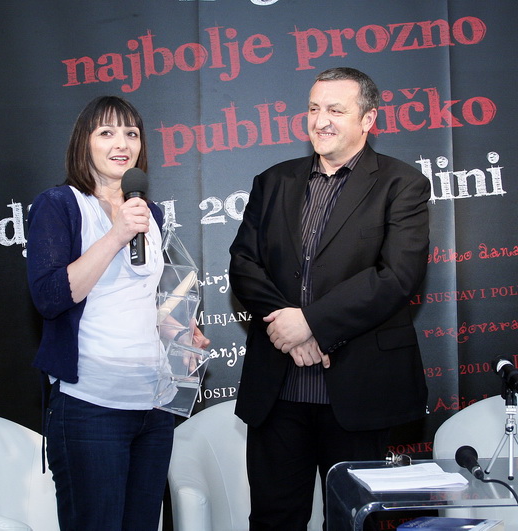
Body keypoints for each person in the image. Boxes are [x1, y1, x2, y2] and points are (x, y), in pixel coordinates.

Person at [228, 67, 430, 530]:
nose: (321, 121)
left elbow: (397, 276)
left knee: (351, 521)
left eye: (336, 110)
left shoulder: (402, 184)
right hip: (278, 389)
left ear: (368, 119)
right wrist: (289, 327)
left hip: (358, 392)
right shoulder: (273, 181)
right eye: (314, 109)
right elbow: (243, 264)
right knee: (274, 519)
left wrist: (312, 323)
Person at [26, 95, 210, 531]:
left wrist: (180, 329)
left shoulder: (150, 211)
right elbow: (50, 297)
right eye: (106, 132)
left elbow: (139, 297)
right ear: (84, 142)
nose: (122, 143)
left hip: (155, 404)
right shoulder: (60, 205)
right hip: (91, 404)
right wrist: (116, 233)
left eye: (131, 133)